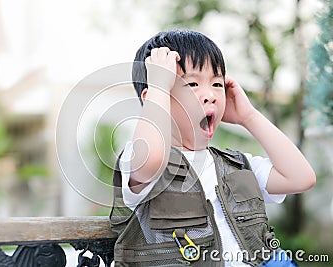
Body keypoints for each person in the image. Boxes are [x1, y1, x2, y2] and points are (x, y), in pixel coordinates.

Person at [109, 30, 315, 266]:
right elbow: (150, 161)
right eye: (193, 83)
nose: (210, 95)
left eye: (217, 84)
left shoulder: (236, 166)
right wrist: (158, 86)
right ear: (157, 97)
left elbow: (301, 177)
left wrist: (249, 116)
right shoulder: (139, 160)